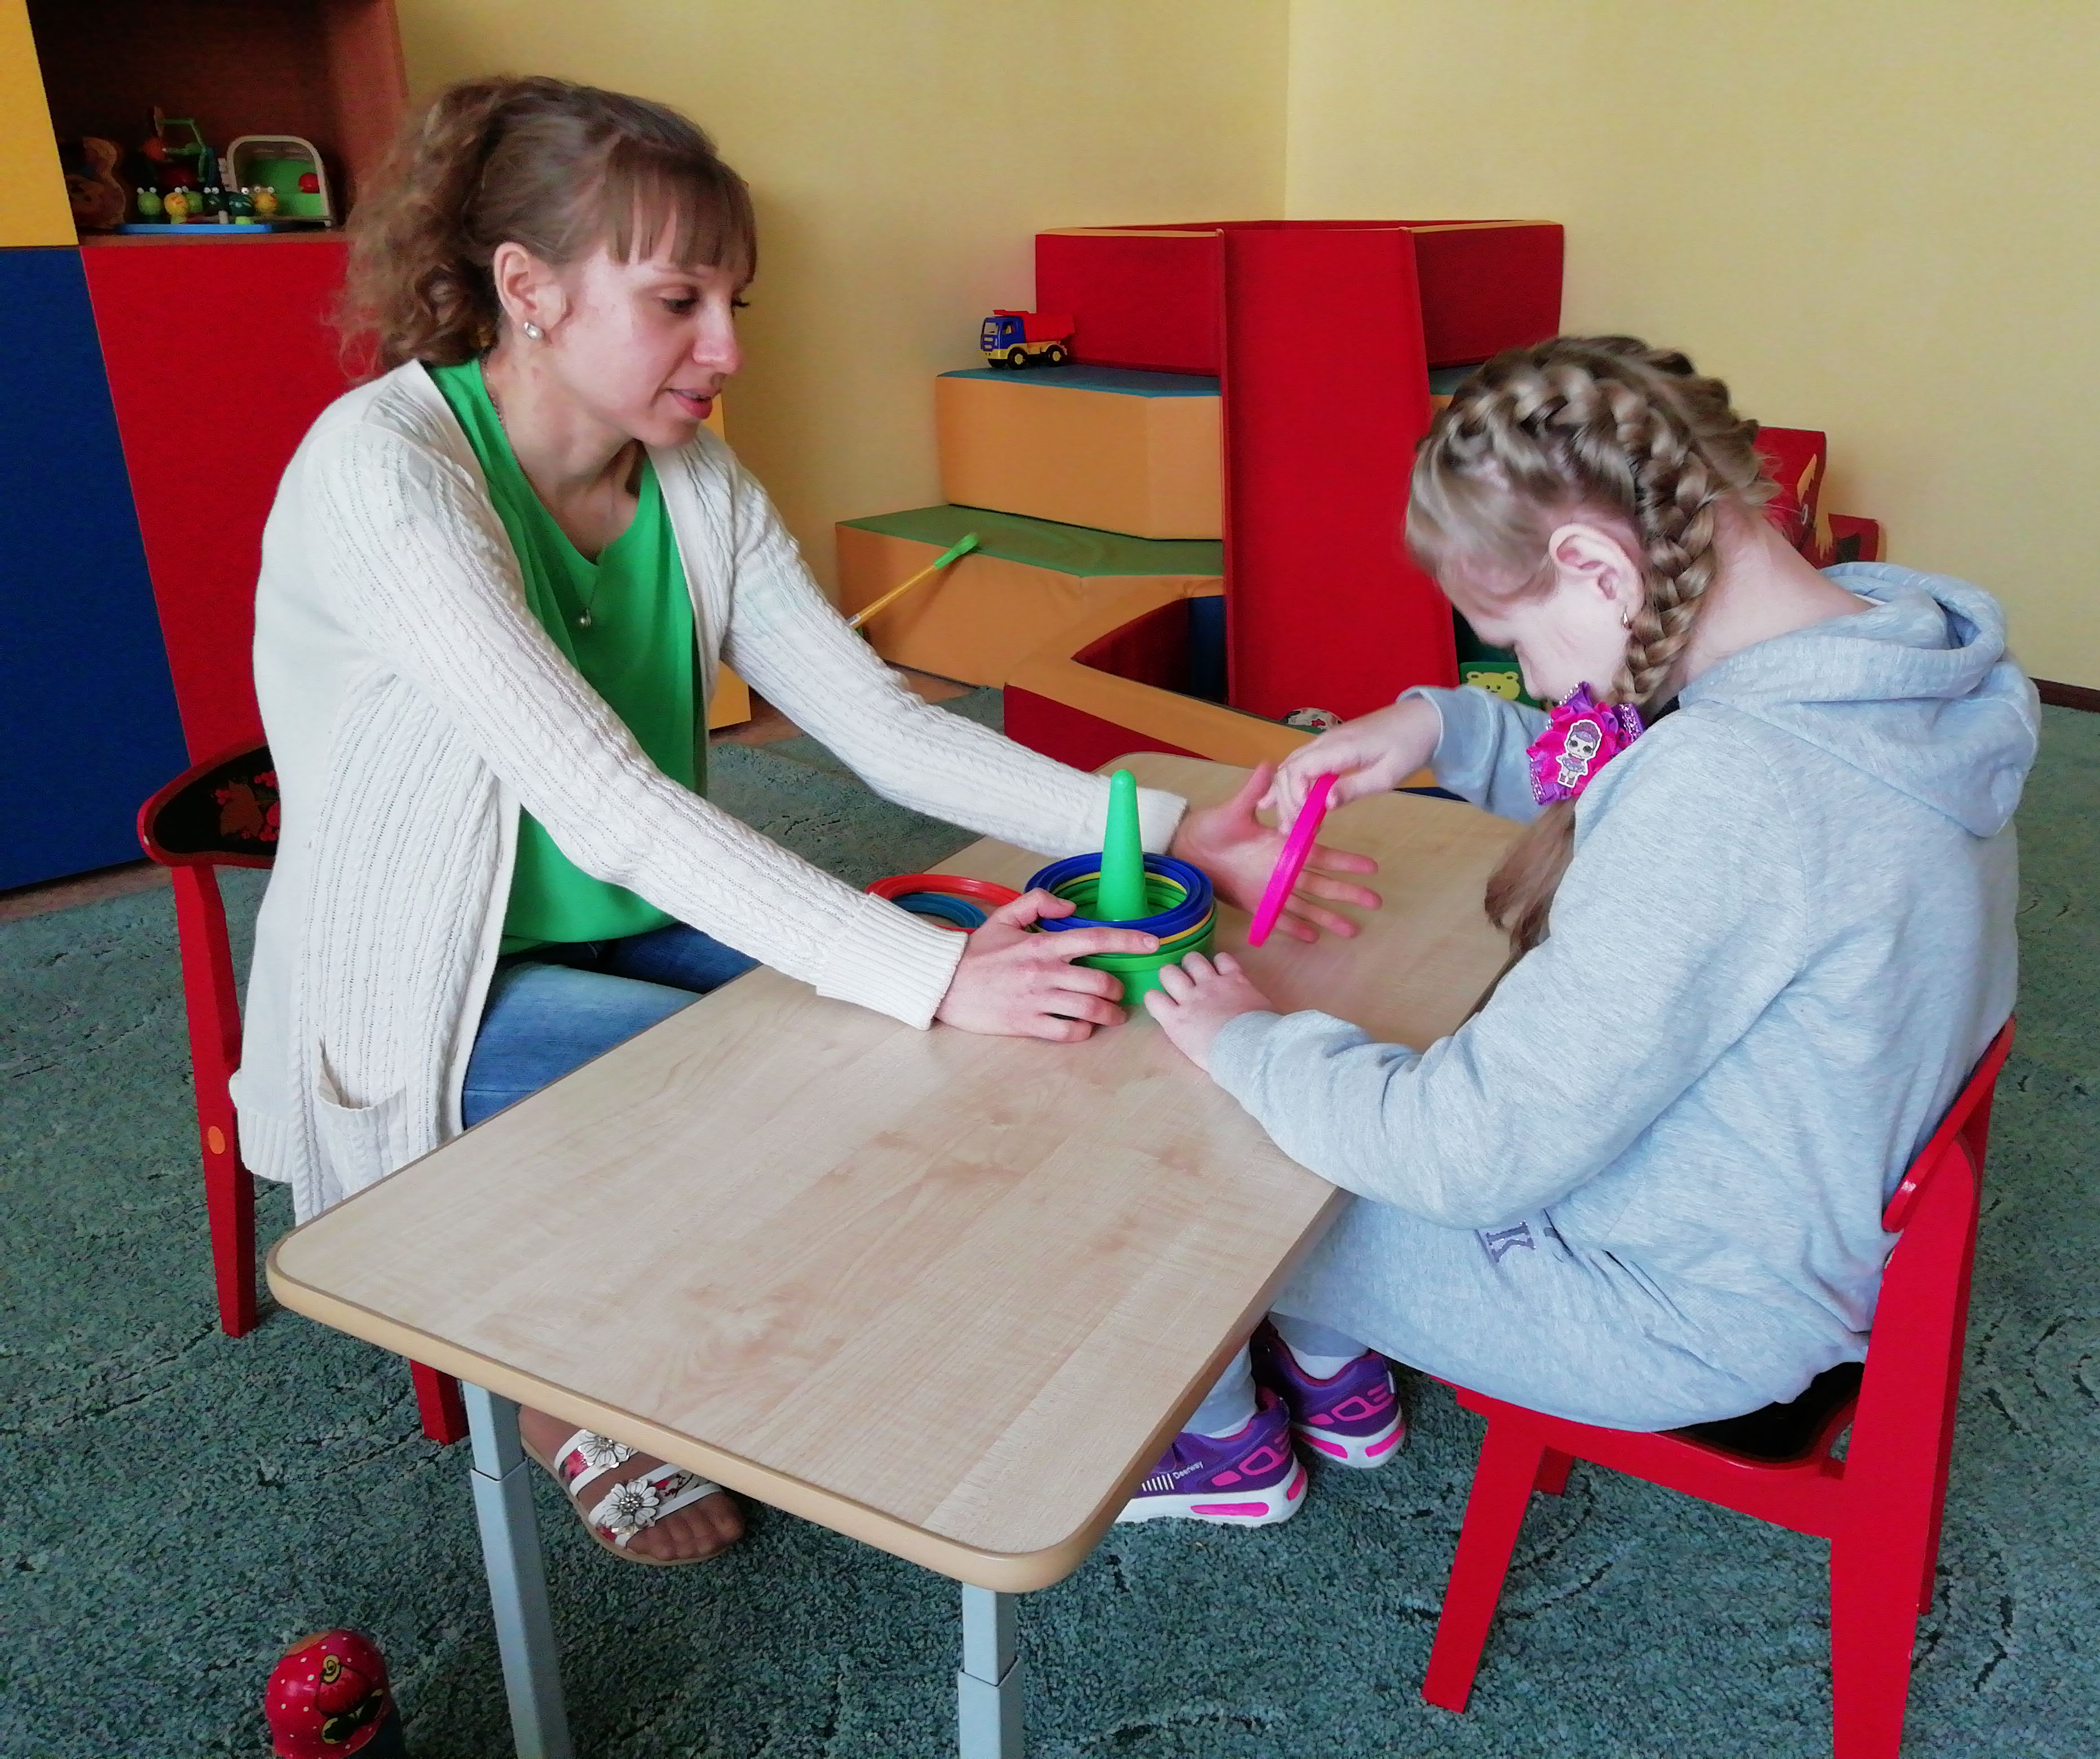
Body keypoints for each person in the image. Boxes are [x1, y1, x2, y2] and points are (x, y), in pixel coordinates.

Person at [230, 76, 1378, 1563]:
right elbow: (610, 805)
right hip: (426, 994)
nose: (728, 350)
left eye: (735, 302)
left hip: (631, 923)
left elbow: (882, 724)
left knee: (966, 1034)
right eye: (679, 303)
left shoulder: (692, 477)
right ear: (530, 290)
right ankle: (563, 1393)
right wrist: (930, 971)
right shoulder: (384, 474)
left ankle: (1167, 1345)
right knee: (836, 1079)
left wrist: (1168, 827)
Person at [1126, 334, 2037, 1526]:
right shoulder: (1876, 647)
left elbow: (1466, 1154)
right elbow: (1642, 769)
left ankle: (1223, 1451)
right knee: (1338, 1075)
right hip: (1770, 1226)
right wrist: (1444, 728)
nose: (1540, 683)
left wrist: (1243, 1039)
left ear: (1595, 569)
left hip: (1670, 1311)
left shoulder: (1734, 792)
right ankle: (1337, 1377)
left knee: (1177, 1145)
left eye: (1512, 644)